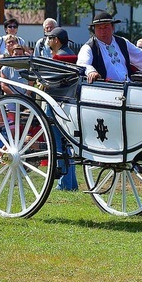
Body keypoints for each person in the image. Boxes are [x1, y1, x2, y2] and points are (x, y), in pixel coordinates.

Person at [77, 11, 142, 83]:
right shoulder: (88, 48)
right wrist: (91, 71)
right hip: (106, 91)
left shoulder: (122, 42)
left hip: (128, 87)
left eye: (106, 27)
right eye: (99, 28)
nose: (102, 31)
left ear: (113, 28)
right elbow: (82, 64)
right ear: (94, 30)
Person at [43, 27, 78, 191]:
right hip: (70, 104)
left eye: (49, 38)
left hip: (56, 102)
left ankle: (64, 183)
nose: (48, 41)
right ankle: (71, 183)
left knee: (58, 144)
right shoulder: (72, 55)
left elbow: (51, 80)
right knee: (67, 146)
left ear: (56, 40)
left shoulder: (58, 57)